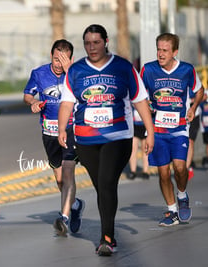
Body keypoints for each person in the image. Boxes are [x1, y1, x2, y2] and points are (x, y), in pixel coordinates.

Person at [58, 24, 154, 256]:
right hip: (86, 138)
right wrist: (62, 128)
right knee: (102, 186)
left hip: (118, 136)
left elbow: (140, 99)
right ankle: (108, 231)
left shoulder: (122, 67)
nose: (92, 47)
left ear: (106, 41)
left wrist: (150, 131)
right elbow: (67, 102)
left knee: (107, 181)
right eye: (87, 43)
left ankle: (107, 238)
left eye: (96, 42)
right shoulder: (77, 70)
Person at [141, 33, 204, 227]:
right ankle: (172, 211)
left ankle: (182, 195)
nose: (160, 54)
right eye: (158, 49)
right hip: (157, 129)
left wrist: (193, 108)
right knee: (163, 173)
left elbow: (199, 90)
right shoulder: (148, 70)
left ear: (175, 52)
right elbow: (139, 94)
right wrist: (147, 107)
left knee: (179, 167)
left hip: (179, 128)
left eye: (165, 50)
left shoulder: (186, 70)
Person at [23, 39, 85, 236]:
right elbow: (27, 95)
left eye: (63, 60)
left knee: (68, 174)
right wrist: (33, 102)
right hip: (49, 133)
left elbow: (86, 95)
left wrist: (70, 71)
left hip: (71, 131)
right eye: (56, 60)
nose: (59, 65)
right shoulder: (39, 74)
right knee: (59, 180)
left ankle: (64, 217)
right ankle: (75, 205)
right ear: (51, 56)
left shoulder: (78, 74)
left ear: (71, 59)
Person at [127, 108, 150, 180]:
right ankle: (133, 171)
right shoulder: (132, 97)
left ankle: (145, 171)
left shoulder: (147, 97)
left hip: (145, 125)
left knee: (145, 149)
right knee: (133, 149)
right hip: (135, 125)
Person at [186, 90, 201, 180]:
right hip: (182, 114)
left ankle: (186, 168)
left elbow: (203, 95)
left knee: (190, 141)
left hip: (194, 115)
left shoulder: (194, 80)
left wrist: (194, 101)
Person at [200, 89, 208, 167]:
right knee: (207, 144)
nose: (205, 96)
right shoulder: (201, 104)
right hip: (205, 128)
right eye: (204, 95)